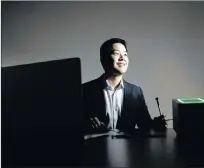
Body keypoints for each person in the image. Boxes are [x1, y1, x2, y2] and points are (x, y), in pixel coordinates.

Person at [83, 38, 166, 134]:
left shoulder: (135, 92)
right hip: (96, 147)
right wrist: (89, 126)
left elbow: (144, 125)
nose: (122, 58)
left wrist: (155, 124)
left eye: (125, 54)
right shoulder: (85, 90)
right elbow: (73, 125)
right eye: (117, 53)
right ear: (104, 59)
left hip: (127, 148)